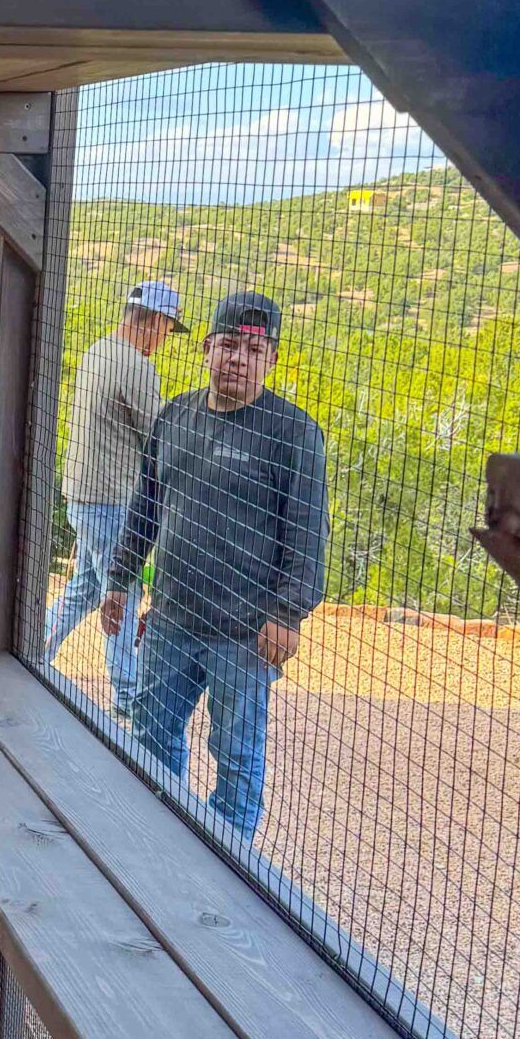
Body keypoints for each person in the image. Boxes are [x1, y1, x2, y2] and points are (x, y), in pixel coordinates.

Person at [100, 290, 327, 841]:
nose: (238, 359)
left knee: (236, 760)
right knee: (152, 741)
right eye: (228, 346)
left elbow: (308, 533)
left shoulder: (294, 434)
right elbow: (145, 507)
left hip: (245, 635)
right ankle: (156, 847)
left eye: (254, 350)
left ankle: (228, 870)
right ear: (206, 349)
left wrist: (289, 613)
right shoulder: (175, 415)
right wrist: (119, 581)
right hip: (171, 621)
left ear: (272, 359)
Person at [46, 280, 188, 717]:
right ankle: (128, 699)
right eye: (167, 329)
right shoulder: (136, 366)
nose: (165, 340)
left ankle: (34, 649)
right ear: (157, 322)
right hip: (111, 500)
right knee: (122, 595)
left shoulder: (99, 349)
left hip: (81, 495)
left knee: (88, 588)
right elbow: (161, 440)